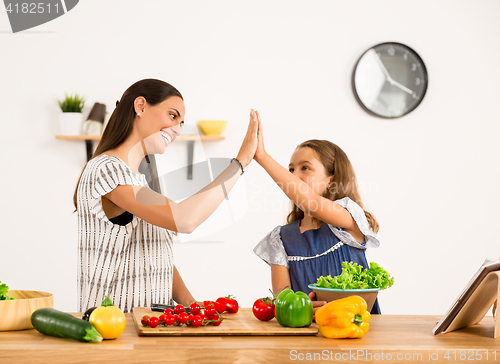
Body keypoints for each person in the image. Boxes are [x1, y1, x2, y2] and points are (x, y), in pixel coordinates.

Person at [74, 79, 258, 313]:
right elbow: (185, 219)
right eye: (173, 116)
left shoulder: (138, 178)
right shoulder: (107, 170)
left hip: (151, 322)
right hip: (115, 326)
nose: (178, 130)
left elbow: (155, 253)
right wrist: (239, 163)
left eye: (181, 123)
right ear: (140, 106)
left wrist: (191, 304)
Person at [252, 112, 381, 314]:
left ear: (332, 179)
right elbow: (282, 301)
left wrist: (262, 156)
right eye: (291, 170)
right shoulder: (280, 239)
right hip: (305, 337)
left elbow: (310, 202)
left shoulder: (348, 218)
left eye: (305, 168)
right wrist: (300, 308)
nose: (293, 176)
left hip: (358, 333)